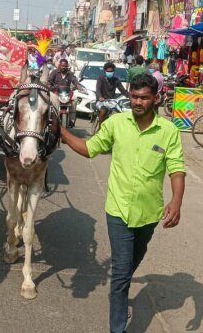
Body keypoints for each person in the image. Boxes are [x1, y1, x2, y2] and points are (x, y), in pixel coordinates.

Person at [59, 73, 186, 333]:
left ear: (156, 99)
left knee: (130, 265)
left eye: (144, 98)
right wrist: (61, 131)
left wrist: (176, 200)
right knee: (120, 272)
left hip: (148, 214)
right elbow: (89, 148)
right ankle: (118, 327)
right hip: (118, 211)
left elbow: (176, 169)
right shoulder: (116, 123)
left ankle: (120, 292)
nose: (138, 102)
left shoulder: (168, 131)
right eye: (134, 97)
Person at [96, 61, 129, 126]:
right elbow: (98, 89)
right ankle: (100, 129)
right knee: (103, 110)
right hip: (102, 101)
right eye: (108, 71)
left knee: (120, 113)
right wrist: (100, 97)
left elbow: (123, 90)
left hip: (112, 101)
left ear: (113, 71)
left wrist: (131, 96)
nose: (110, 73)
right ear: (105, 71)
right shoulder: (101, 79)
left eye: (111, 71)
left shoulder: (116, 80)